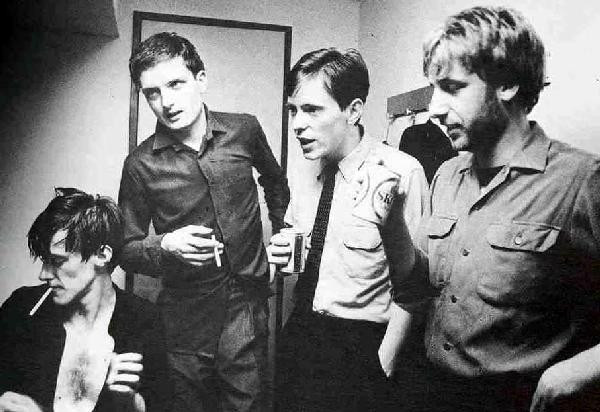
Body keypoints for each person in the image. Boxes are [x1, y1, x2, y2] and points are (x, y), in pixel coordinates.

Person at [383, 6, 600, 411]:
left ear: (508, 84)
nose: (434, 107)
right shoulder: (447, 175)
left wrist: (576, 373)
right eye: (433, 89)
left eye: (452, 87)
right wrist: (391, 222)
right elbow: (416, 290)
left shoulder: (581, 180)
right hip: (432, 394)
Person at [120, 32, 290, 412]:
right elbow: (124, 250)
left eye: (175, 84)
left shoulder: (245, 130)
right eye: (152, 93)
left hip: (245, 307)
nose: (166, 102)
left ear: (201, 80)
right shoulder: (139, 165)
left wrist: (282, 234)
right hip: (184, 318)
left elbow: (275, 181)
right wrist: (165, 245)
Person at [268, 48, 428, 412]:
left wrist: (385, 361)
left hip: (362, 346)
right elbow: (303, 250)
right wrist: (282, 256)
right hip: (302, 334)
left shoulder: (401, 174)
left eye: (312, 110)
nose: (297, 124)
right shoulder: (307, 167)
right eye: (293, 110)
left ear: (353, 110)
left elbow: (419, 284)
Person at [0, 188, 170, 412]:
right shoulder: (23, 308)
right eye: (44, 260)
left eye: (57, 261)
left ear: (102, 254)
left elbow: (161, 404)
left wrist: (132, 404)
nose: (44, 274)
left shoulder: (142, 321)